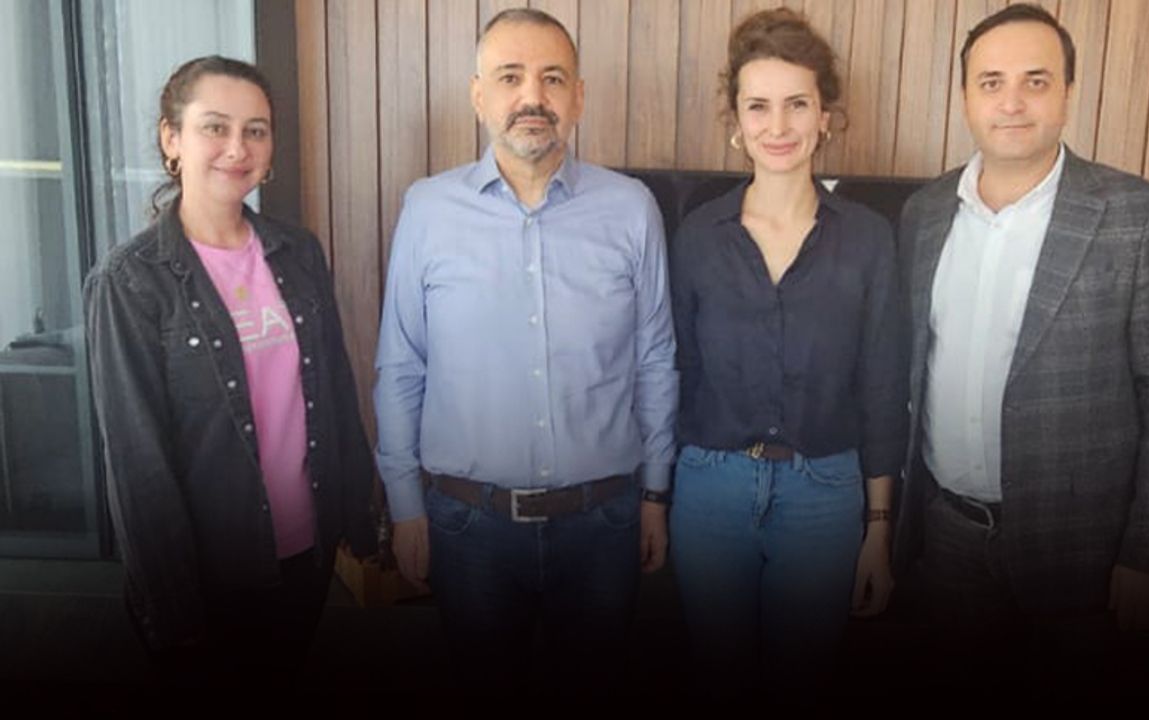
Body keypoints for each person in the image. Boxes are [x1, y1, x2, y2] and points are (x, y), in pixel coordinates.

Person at [894, 1, 1149, 688]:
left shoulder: (1139, 215)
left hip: (1087, 554)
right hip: (948, 541)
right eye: (991, 82)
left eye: (1035, 81)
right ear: (965, 97)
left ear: (1068, 92)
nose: (1011, 102)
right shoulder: (924, 213)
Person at [373, 8, 677, 699]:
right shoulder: (427, 209)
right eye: (510, 77)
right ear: (479, 95)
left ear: (578, 97)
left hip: (604, 524)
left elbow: (655, 359)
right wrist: (405, 505)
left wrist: (655, 496)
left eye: (552, 78)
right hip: (467, 527)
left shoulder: (632, 209)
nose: (532, 97)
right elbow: (401, 366)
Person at [83, 55, 376, 686]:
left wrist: (358, 512)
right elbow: (137, 459)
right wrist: (172, 601)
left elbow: (334, 386)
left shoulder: (297, 252)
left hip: (305, 552)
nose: (237, 148)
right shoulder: (130, 281)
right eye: (215, 127)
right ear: (172, 139)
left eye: (255, 131)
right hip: (206, 572)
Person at [667, 8, 907, 700]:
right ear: (736, 122)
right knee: (717, 678)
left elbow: (883, 387)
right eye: (759, 106)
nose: (778, 126)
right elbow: (677, 370)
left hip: (825, 492)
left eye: (797, 104)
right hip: (709, 487)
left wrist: (879, 529)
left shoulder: (868, 239)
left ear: (825, 116)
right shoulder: (698, 236)